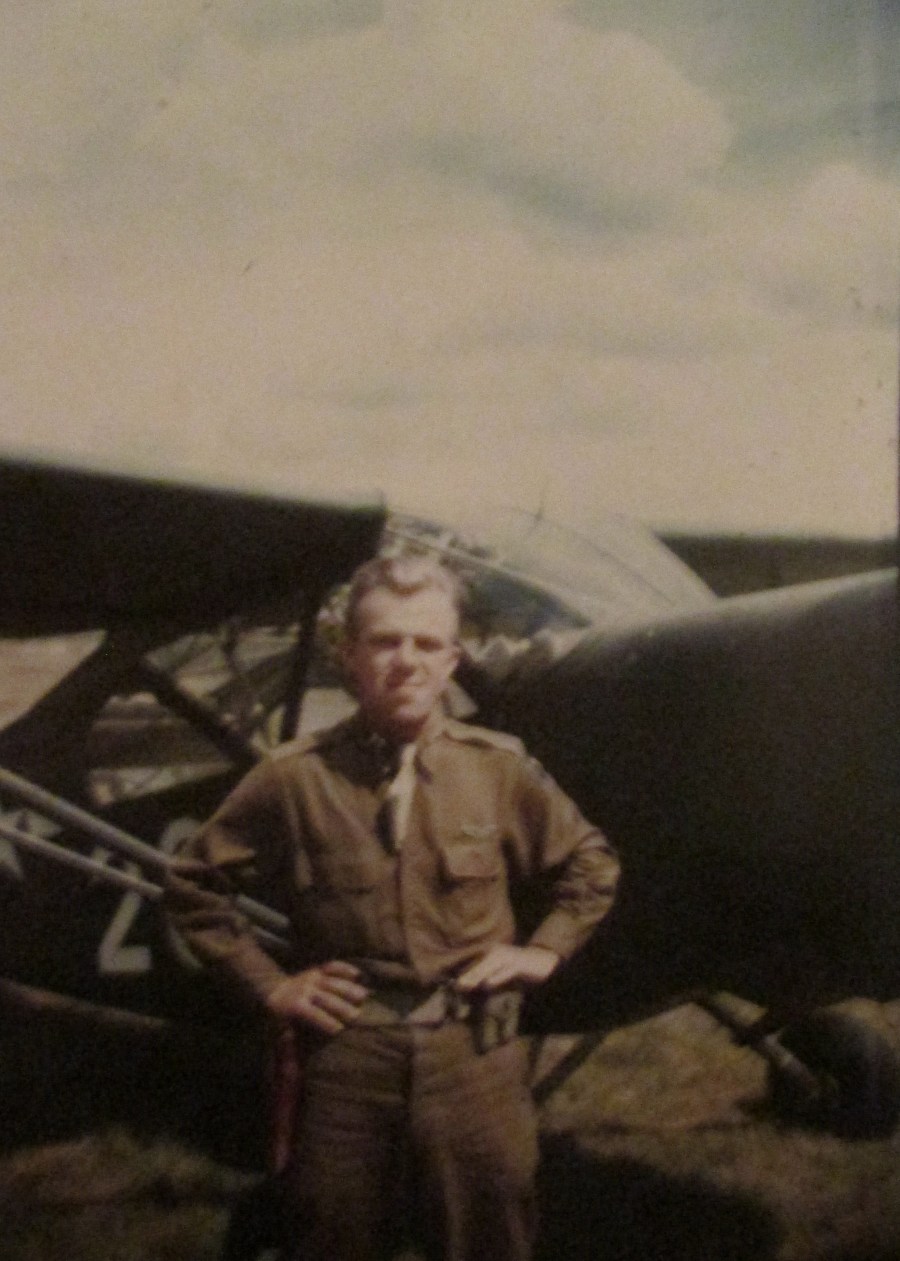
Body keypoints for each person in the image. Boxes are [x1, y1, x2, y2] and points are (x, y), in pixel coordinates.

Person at [166, 555, 619, 1261]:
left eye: (428, 643)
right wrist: (273, 986)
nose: (406, 661)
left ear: (452, 660)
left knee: (489, 1238)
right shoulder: (294, 776)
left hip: (473, 1056)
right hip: (346, 1059)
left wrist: (543, 949)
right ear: (349, 655)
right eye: (385, 641)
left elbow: (590, 863)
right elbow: (195, 881)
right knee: (328, 1235)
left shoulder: (497, 767)